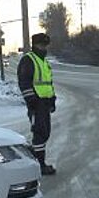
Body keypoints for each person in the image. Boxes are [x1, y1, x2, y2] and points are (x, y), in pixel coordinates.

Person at [18, 33, 57, 175]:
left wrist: (52, 99)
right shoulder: (28, 60)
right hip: (36, 103)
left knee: (45, 133)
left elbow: (48, 83)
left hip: (45, 103)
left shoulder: (44, 62)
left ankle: (35, 161)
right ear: (34, 45)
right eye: (41, 45)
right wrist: (31, 101)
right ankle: (39, 165)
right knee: (39, 133)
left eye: (45, 45)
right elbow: (24, 82)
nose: (43, 47)